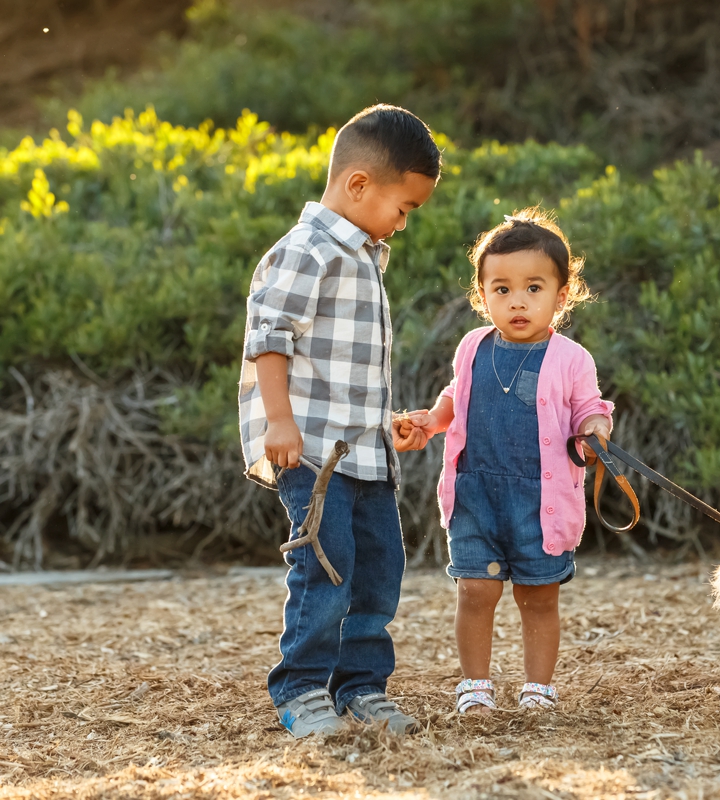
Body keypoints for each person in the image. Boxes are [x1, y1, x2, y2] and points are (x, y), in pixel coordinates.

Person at [238, 104, 439, 738]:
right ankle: (301, 688)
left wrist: (389, 423)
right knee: (326, 567)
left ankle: (360, 688)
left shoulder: (363, 254)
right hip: (313, 451)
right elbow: (270, 338)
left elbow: (350, 367)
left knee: (379, 572)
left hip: (367, 452)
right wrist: (278, 422)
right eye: (403, 208)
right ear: (358, 185)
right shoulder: (306, 251)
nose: (403, 224)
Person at [398, 209, 613, 713]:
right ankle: (475, 684)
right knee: (475, 589)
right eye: (501, 289)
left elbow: (588, 407)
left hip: (541, 501)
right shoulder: (472, 346)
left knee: (538, 595)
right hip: (475, 493)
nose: (517, 301)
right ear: (483, 296)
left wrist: (594, 429)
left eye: (533, 288)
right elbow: (458, 394)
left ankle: (538, 686)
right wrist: (432, 420)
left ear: (562, 296)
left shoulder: (572, 358)